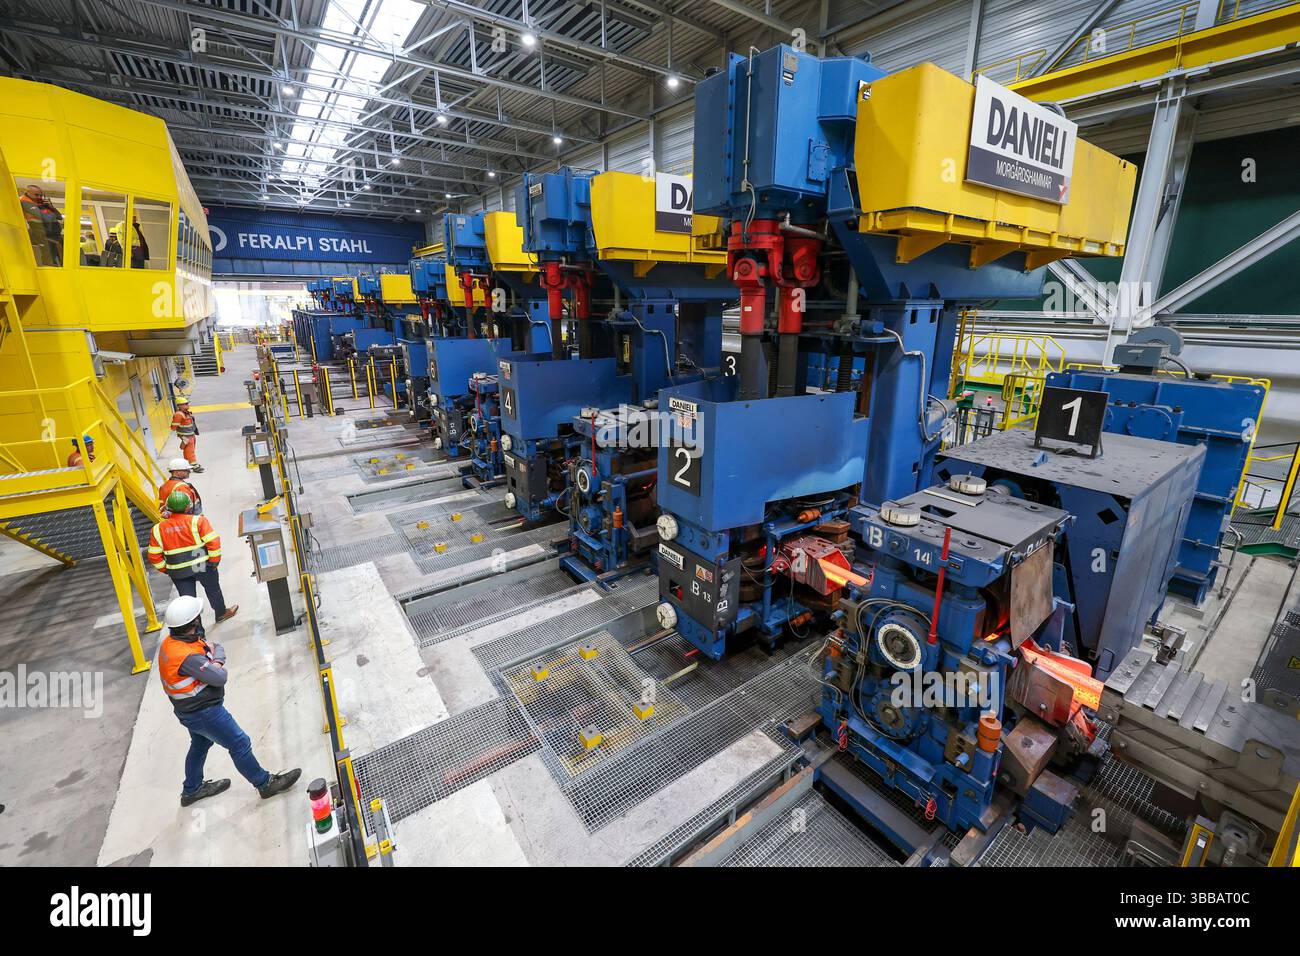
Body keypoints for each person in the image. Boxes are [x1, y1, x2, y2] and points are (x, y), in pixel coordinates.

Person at [157, 595, 300, 806]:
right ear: (194, 622)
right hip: (204, 712)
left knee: (200, 744)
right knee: (239, 743)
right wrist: (216, 660)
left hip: (188, 711)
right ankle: (265, 784)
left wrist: (214, 657)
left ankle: (192, 790)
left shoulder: (173, 642)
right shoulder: (187, 656)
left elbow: (215, 646)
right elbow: (219, 675)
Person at [146, 491, 237, 625]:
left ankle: (196, 632)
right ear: (188, 507)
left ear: (168, 508)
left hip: (178, 571)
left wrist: (166, 569)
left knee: (188, 601)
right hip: (201, 566)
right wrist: (214, 561)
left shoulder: (157, 529)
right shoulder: (197, 521)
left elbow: (153, 556)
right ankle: (221, 613)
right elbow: (213, 542)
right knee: (213, 590)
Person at [19, 183, 62, 266]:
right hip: (41, 233)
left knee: (52, 257)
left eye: (41, 195)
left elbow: (59, 216)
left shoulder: (40, 203)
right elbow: (45, 217)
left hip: (51, 235)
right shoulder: (25, 201)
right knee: (46, 259)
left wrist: (50, 207)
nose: (39, 197)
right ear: (28, 192)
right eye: (36, 195)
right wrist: (51, 214)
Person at [170, 398, 203, 473]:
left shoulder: (186, 413)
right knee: (190, 451)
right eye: (185, 404)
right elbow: (173, 427)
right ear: (179, 406)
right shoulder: (179, 414)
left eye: (187, 403)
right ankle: (194, 466)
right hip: (186, 436)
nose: (187, 405)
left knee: (188, 451)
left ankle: (186, 464)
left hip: (191, 435)